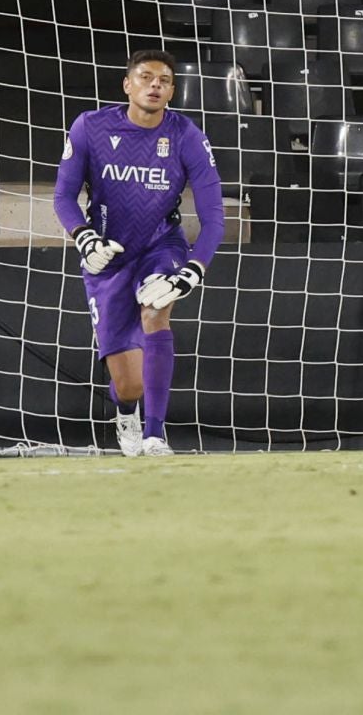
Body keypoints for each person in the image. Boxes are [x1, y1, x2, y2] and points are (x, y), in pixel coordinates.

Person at [54, 50, 224, 458]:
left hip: (160, 246)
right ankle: (126, 409)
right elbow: (63, 196)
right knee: (129, 385)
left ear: (172, 91)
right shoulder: (89, 127)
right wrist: (84, 237)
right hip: (107, 255)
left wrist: (193, 270)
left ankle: (154, 435)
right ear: (127, 85)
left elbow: (214, 215)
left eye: (164, 80)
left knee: (154, 309)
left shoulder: (186, 135)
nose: (155, 85)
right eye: (146, 77)